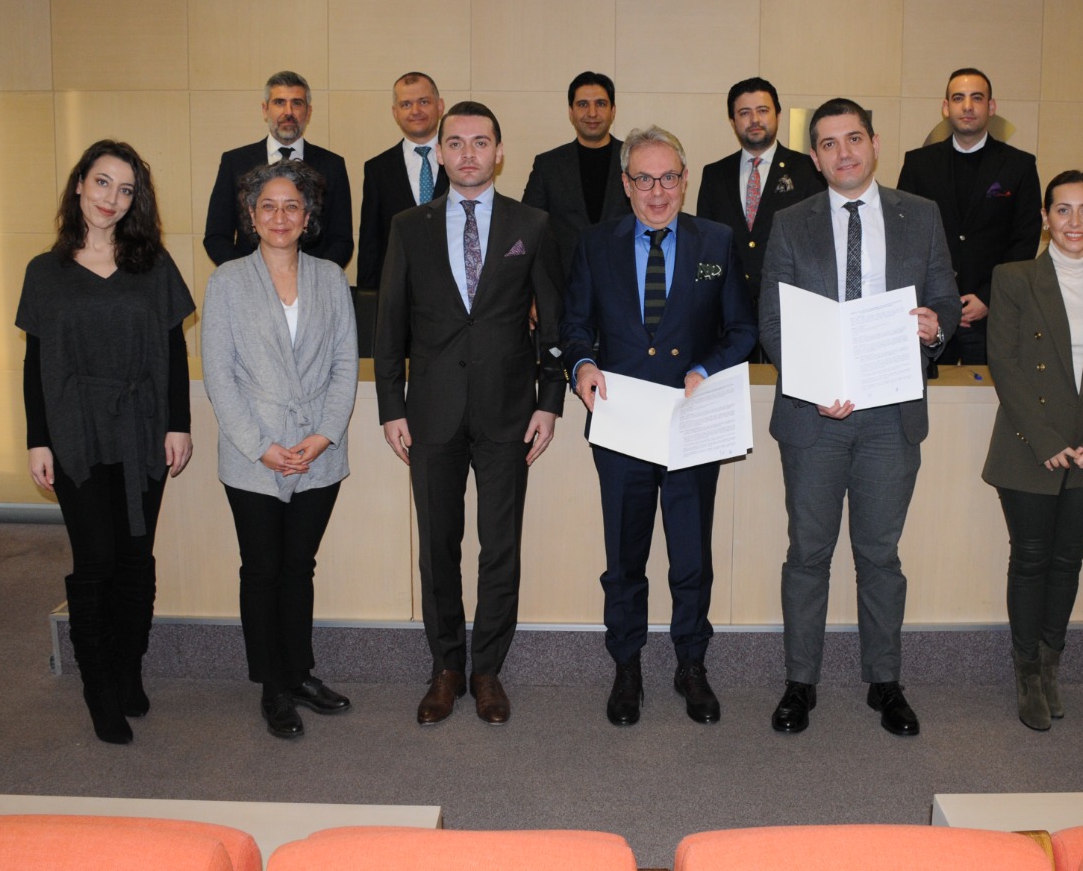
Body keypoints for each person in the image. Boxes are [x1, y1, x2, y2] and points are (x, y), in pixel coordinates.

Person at [760, 99, 960, 737]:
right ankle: (800, 682)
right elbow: (774, 320)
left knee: (879, 555)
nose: (843, 152)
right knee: (807, 554)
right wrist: (814, 385)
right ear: (814, 158)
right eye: (828, 143)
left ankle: (885, 682)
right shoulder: (790, 223)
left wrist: (935, 328)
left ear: (874, 143)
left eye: (853, 138)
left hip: (889, 417)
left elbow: (946, 298)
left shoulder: (920, 215)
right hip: (814, 417)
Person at [375, 100, 566, 727]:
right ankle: (446, 669)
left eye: (480, 142)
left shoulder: (532, 223)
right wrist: (390, 405)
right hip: (430, 413)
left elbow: (552, 322)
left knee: (500, 547)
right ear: (440, 153)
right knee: (438, 547)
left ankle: (487, 671)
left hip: (509, 413)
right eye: (455, 142)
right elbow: (389, 323)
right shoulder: (409, 226)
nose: (467, 153)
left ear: (499, 152)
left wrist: (549, 402)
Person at [561, 125, 757, 727]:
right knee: (624, 558)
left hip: (691, 423)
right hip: (621, 427)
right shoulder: (596, 244)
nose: (657, 191)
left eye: (668, 177)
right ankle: (627, 666)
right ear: (626, 184)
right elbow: (574, 326)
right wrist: (582, 366)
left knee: (691, 557)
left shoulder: (716, 241)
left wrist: (705, 368)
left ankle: (691, 664)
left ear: (685, 179)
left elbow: (743, 330)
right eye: (644, 179)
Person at [17, 139, 195, 745]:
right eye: (102, 183)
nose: (111, 199)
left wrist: (178, 424)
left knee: (136, 559)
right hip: (75, 430)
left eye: (125, 190)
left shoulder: (153, 265)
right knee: (96, 560)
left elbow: (173, 349)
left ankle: (127, 670)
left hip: (141, 425)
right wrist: (38, 440)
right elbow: (34, 362)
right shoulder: (45, 272)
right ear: (79, 185)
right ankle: (97, 686)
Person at [201, 160, 359, 740]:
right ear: (250, 215)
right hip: (253, 455)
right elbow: (219, 376)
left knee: (299, 567)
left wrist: (323, 435)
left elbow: (345, 363)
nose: (280, 216)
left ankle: (299, 674)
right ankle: (272, 686)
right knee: (262, 569)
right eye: (267, 205)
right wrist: (261, 446)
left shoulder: (330, 278)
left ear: (308, 216)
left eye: (292, 205)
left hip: (318, 450)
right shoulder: (227, 282)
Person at [981, 170, 1083, 731]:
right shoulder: (1014, 277)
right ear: (1046, 219)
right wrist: (1046, 440)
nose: (1076, 221)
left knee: (1067, 562)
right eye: (1064, 210)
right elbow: (1003, 362)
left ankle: (1051, 666)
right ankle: (1027, 672)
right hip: (1030, 446)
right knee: (1030, 560)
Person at [896, 68, 1041, 365]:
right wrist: (937, 300)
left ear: (991, 107)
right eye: (958, 98)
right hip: (931, 315)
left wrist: (989, 297)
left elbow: (1025, 240)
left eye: (977, 98)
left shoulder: (1019, 165)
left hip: (992, 316)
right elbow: (904, 237)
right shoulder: (918, 164)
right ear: (945, 107)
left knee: (988, 393)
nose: (967, 106)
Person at [695, 77, 825, 355]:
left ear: (778, 115)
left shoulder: (808, 170)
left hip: (789, 312)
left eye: (763, 110)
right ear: (732, 121)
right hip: (729, 316)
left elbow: (817, 246)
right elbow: (705, 249)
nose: (754, 119)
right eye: (744, 113)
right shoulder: (715, 174)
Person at [204, 70, 354, 269]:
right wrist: (246, 275)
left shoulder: (332, 165)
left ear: (308, 112)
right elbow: (216, 237)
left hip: (313, 282)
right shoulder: (235, 163)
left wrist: (316, 277)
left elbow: (341, 240)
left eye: (297, 103)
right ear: (265, 109)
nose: (288, 112)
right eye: (279, 102)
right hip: (248, 281)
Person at [523, 71, 631, 277]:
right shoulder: (548, 165)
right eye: (582, 104)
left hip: (623, 278)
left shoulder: (634, 160)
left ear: (613, 111)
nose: (592, 113)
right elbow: (529, 228)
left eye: (601, 104)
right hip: (565, 283)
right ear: (571, 112)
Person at [356, 71, 449, 292]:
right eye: (406, 104)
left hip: (451, 292)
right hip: (397, 292)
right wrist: (368, 298)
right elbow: (370, 243)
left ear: (440, 106)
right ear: (395, 113)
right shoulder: (377, 169)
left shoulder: (460, 162)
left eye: (423, 102)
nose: (415, 111)